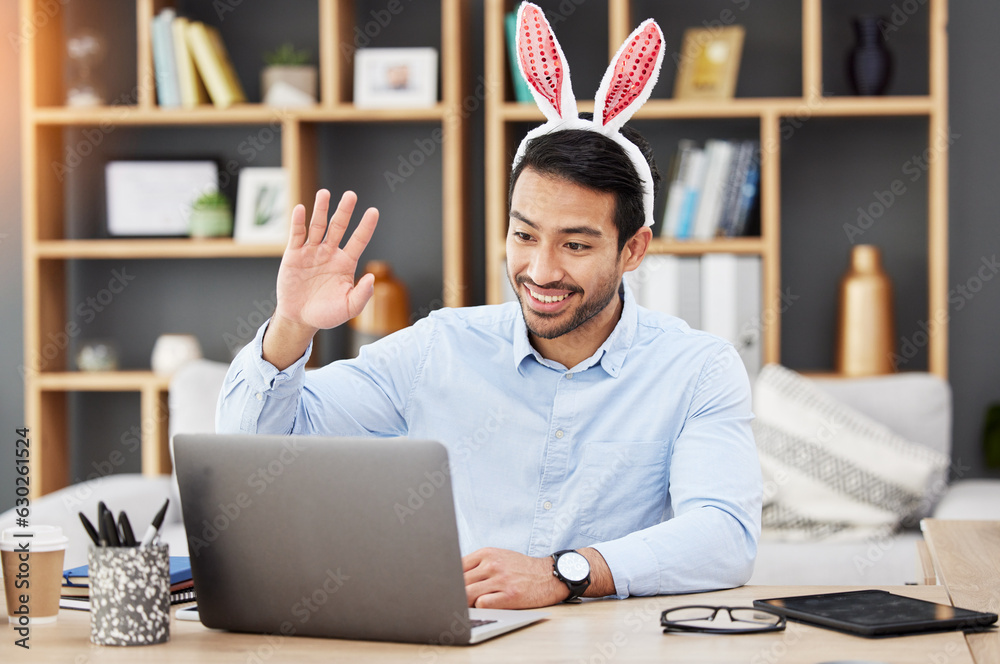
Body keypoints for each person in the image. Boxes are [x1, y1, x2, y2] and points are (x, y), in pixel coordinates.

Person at [217, 5, 761, 610]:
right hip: (468, 641)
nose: (541, 270)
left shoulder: (698, 369)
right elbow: (259, 454)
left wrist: (565, 573)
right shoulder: (440, 347)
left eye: (575, 245)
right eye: (524, 235)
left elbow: (725, 537)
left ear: (633, 249)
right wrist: (291, 326)